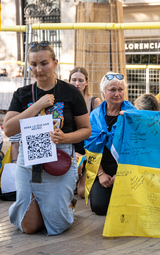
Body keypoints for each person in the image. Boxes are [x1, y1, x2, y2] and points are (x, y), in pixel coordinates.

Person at [3, 41, 91, 235]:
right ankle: (43, 205)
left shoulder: (71, 93)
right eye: (33, 64)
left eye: (44, 63)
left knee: (57, 226)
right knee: (29, 227)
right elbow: (8, 129)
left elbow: (86, 130)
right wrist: (36, 105)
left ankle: (64, 205)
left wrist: (65, 137)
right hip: (29, 161)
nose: (38, 69)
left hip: (59, 159)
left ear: (55, 63)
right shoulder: (22, 94)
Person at [84, 72, 136, 215]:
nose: (117, 94)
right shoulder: (94, 117)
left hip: (127, 169)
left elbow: (137, 149)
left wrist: (121, 173)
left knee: (128, 207)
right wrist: (101, 174)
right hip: (102, 169)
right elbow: (90, 149)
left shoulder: (132, 115)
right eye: (112, 90)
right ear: (103, 93)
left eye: (120, 89)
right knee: (99, 207)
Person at [69, 67, 101, 198]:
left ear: (87, 82)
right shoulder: (66, 102)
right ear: (69, 81)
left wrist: (87, 156)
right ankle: (76, 177)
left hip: (89, 149)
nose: (77, 83)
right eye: (74, 80)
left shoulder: (94, 102)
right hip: (72, 150)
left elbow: (99, 132)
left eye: (80, 80)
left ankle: (85, 176)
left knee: (82, 193)